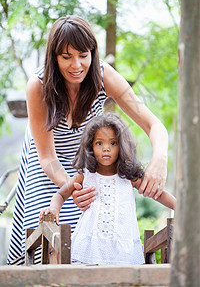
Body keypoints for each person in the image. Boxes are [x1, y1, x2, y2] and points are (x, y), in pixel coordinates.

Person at [7, 15, 169, 265]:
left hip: (85, 166)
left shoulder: (104, 76)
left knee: (89, 244)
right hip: (46, 166)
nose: (76, 65)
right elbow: (47, 157)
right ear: (54, 57)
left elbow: (154, 124)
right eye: (66, 56)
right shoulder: (38, 86)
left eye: (83, 54)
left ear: (93, 52)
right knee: (47, 238)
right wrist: (71, 188)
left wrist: (159, 159)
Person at [39, 113, 176, 265]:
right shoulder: (85, 175)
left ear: (122, 145)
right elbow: (60, 195)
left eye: (113, 143)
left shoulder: (129, 177)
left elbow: (158, 194)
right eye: (99, 143)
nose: (106, 149)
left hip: (123, 249)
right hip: (89, 247)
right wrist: (53, 209)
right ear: (90, 145)